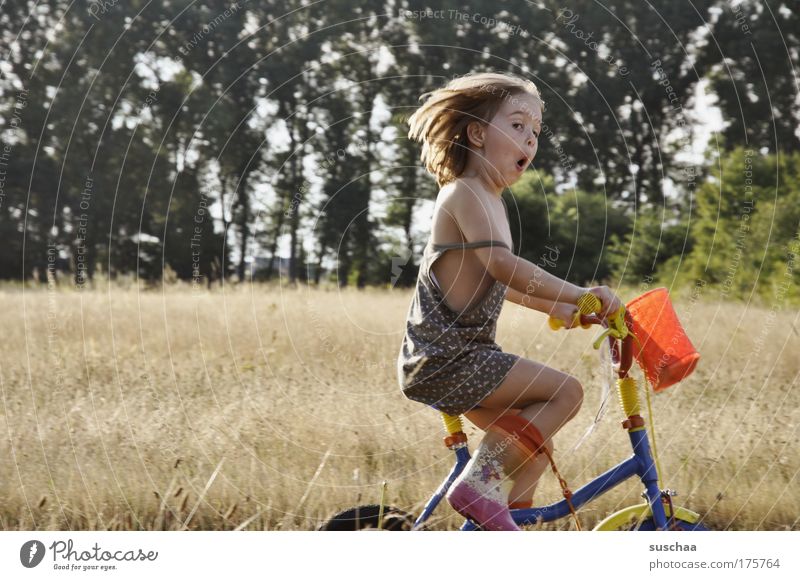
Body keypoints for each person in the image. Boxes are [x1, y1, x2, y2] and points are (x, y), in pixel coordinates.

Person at [396, 72, 623, 531]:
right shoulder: (465, 191)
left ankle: (500, 530)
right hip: (451, 358)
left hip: (452, 359)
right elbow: (503, 265)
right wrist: (581, 293)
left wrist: (560, 308)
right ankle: (478, 491)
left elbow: (501, 283)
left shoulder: (489, 199)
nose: (530, 139)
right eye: (518, 125)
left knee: (535, 449)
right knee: (566, 392)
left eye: (536, 132)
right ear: (478, 133)